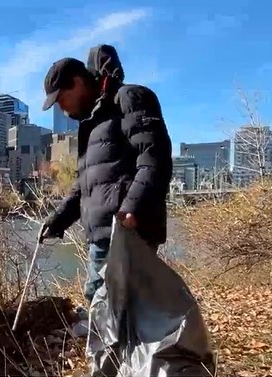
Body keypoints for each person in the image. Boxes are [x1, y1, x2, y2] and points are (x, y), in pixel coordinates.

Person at [39, 44, 173, 304]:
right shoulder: (92, 123)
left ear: (77, 83)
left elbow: (154, 157)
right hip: (101, 235)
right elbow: (85, 185)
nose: (62, 109)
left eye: (61, 99)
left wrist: (132, 208)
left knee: (116, 310)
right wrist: (58, 220)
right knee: (104, 305)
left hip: (127, 231)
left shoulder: (129, 98)